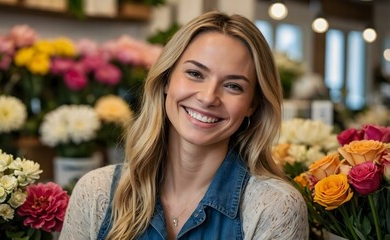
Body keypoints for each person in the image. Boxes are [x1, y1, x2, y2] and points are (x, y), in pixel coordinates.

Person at [60, 11, 309, 240]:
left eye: (233, 86)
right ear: (167, 79)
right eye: (195, 74)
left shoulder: (273, 206)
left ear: (252, 105)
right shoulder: (96, 193)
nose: (208, 97)